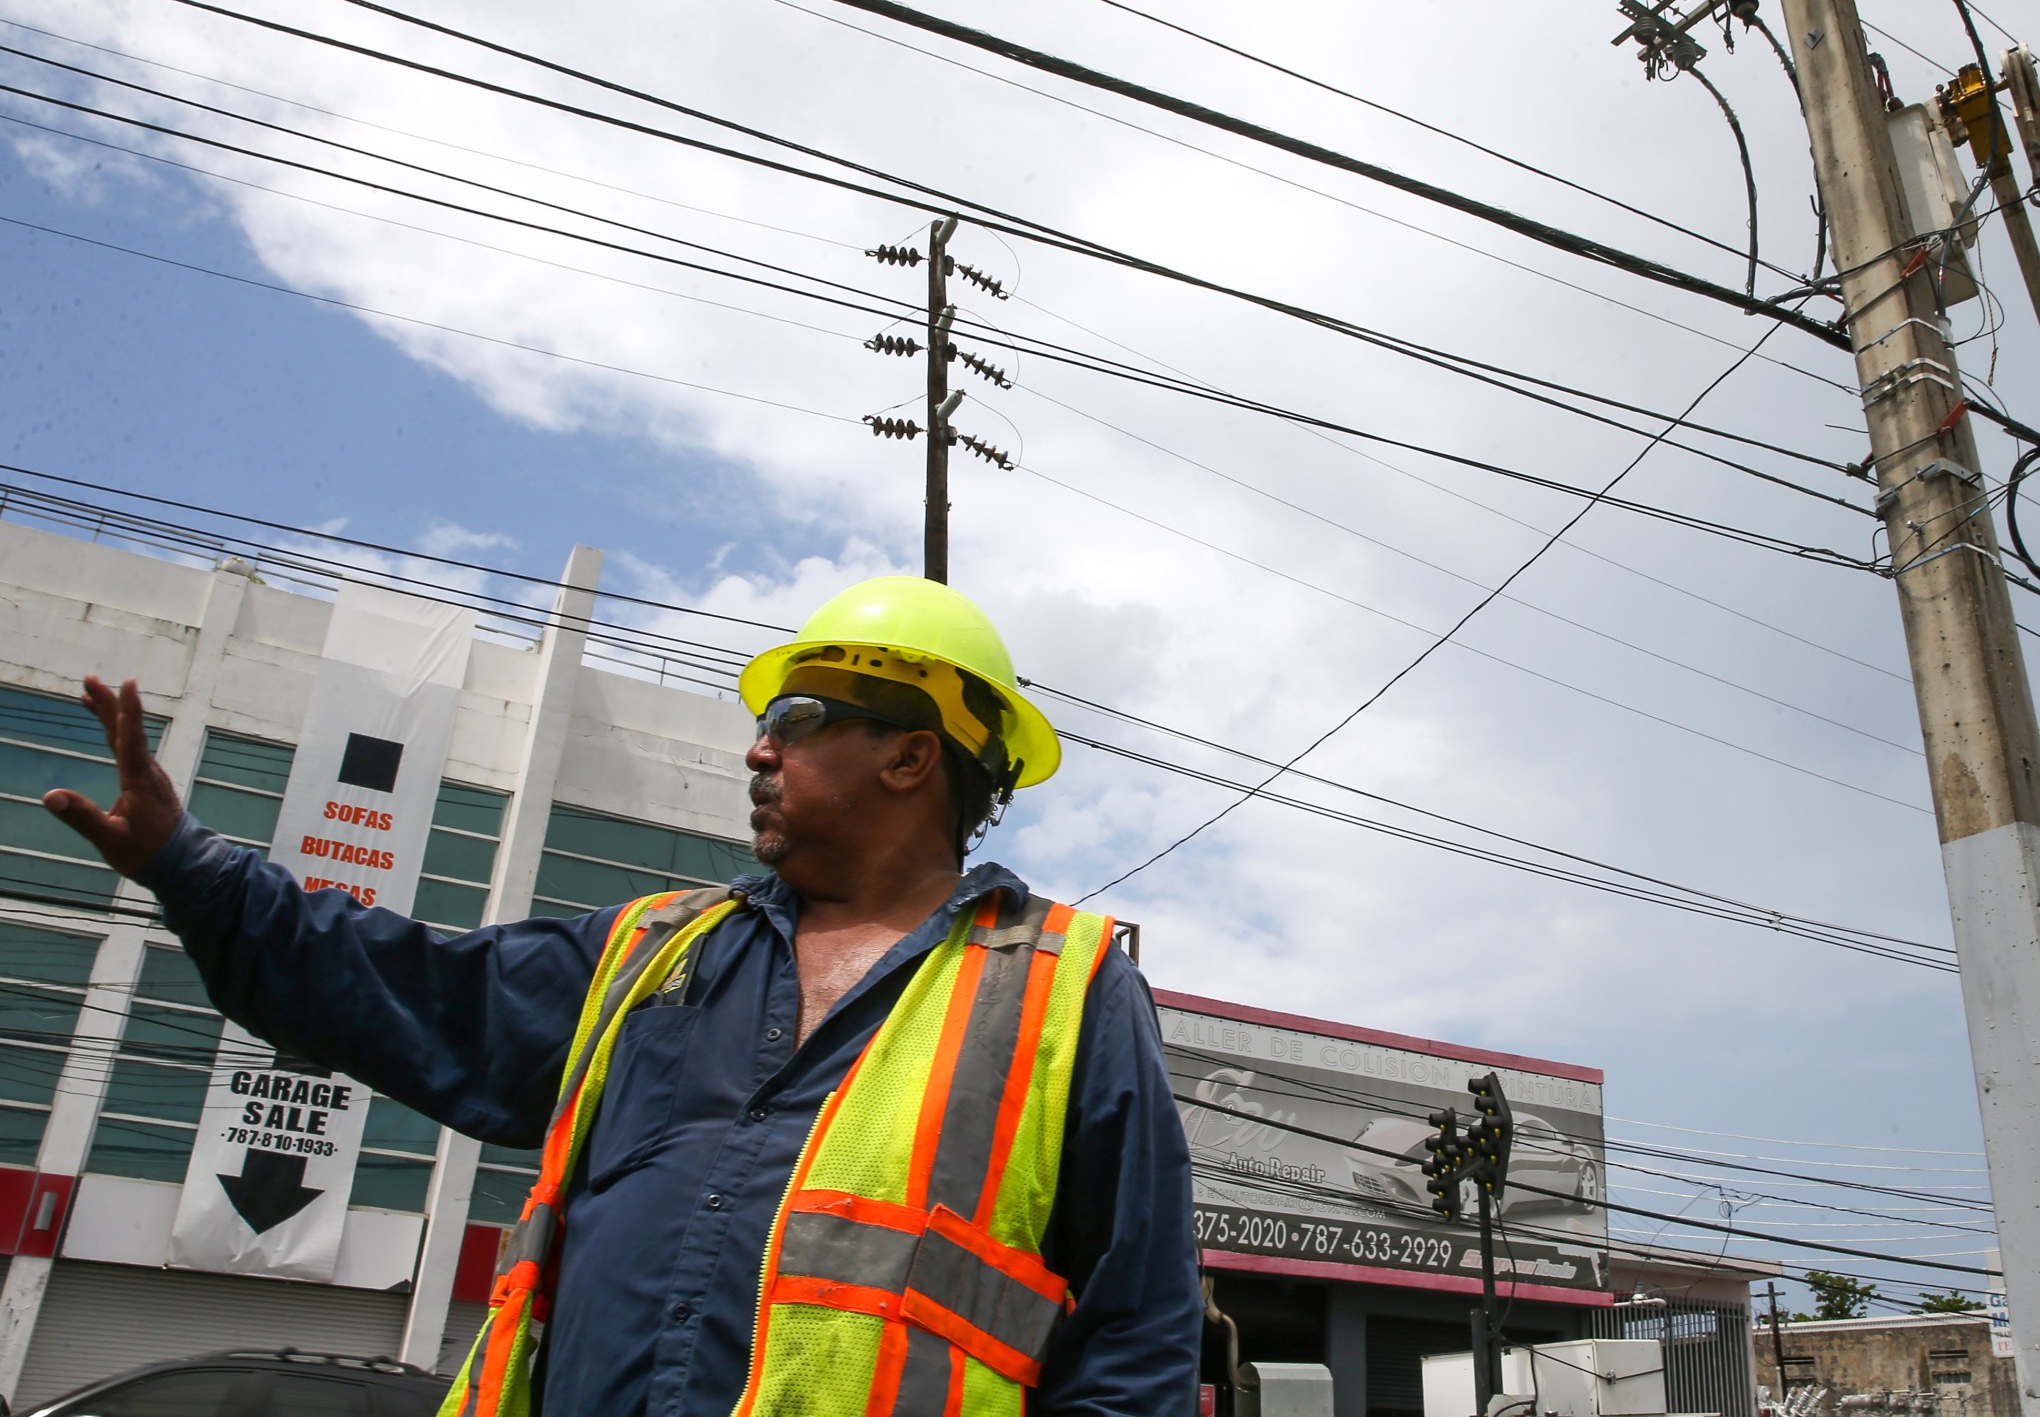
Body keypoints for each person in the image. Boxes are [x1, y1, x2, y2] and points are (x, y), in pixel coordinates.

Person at [44, 575, 1202, 1417]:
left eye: (795, 721)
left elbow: (1135, 1341)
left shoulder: (1060, 991)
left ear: (909, 756)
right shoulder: (652, 953)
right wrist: (194, 870)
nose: (758, 751)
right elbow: (412, 992)